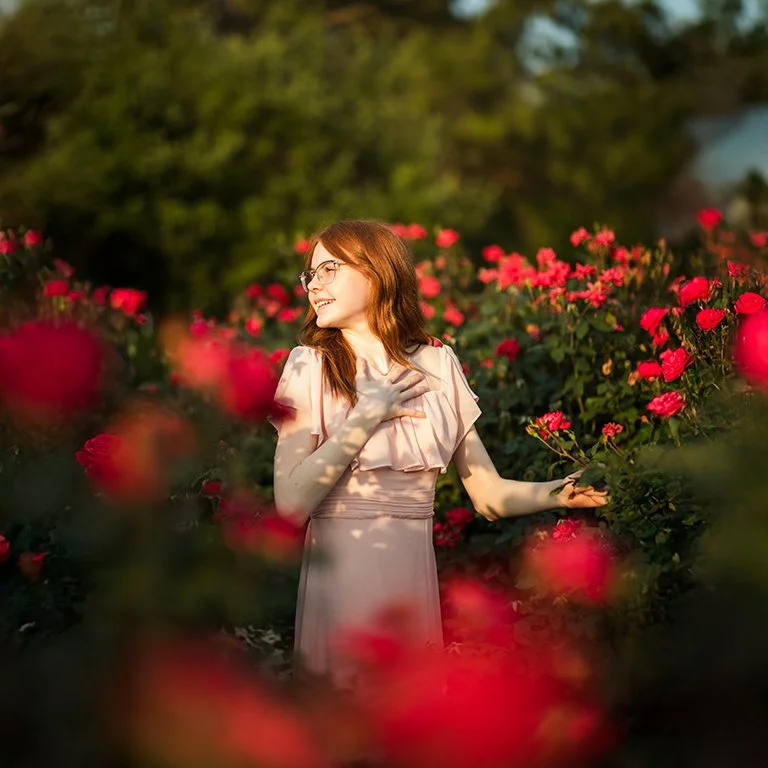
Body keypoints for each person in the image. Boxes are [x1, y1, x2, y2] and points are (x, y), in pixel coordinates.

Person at [269, 219, 608, 689]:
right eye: (310, 275)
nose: (313, 286)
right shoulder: (308, 366)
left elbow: (487, 494)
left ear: (377, 271)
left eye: (328, 269)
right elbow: (289, 503)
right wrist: (367, 415)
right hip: (343, 588)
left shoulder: (437, 363)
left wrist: (560, 493)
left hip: (411, 588)